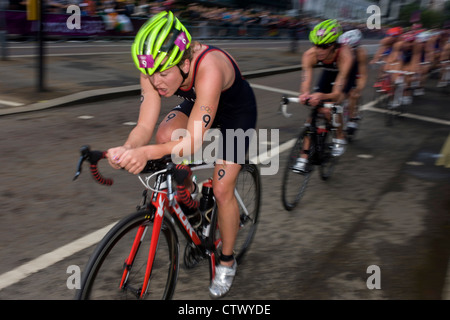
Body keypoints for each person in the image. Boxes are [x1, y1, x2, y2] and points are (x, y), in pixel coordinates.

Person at [106, 11, 257, 299]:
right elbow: (144, 125)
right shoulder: (153, 67)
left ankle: (226, 260)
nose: (156, 81)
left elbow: (192, 142)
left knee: (224, 189)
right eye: (151, 74)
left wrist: (146, 152)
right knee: (164, 135)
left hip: (235, 112)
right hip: (200, 103)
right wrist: (128, 147)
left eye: (164, 74)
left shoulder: (209, 66)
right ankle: (190, 198)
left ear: (185, 62)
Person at [293, 19, 354, 173]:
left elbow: (337, 93)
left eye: (324, 46)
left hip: (342, 75)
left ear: (335, 45)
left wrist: (322, 96)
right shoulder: (310, 55)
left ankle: (340, 136)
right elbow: (305, 80)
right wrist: (305, 94)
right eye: (316, 45)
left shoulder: (345, 56)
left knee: (332, 107)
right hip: (328, 72)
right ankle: (303, 158)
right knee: (313, 114)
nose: (319, 50)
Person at [337, 29, 368, 138]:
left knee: (353, 95)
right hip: (342, 72)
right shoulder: (339, 50)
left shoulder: (361, 53)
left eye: (351, 48)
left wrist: (358, 88)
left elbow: (363, 74)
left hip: (354, 74)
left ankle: (352, 117)